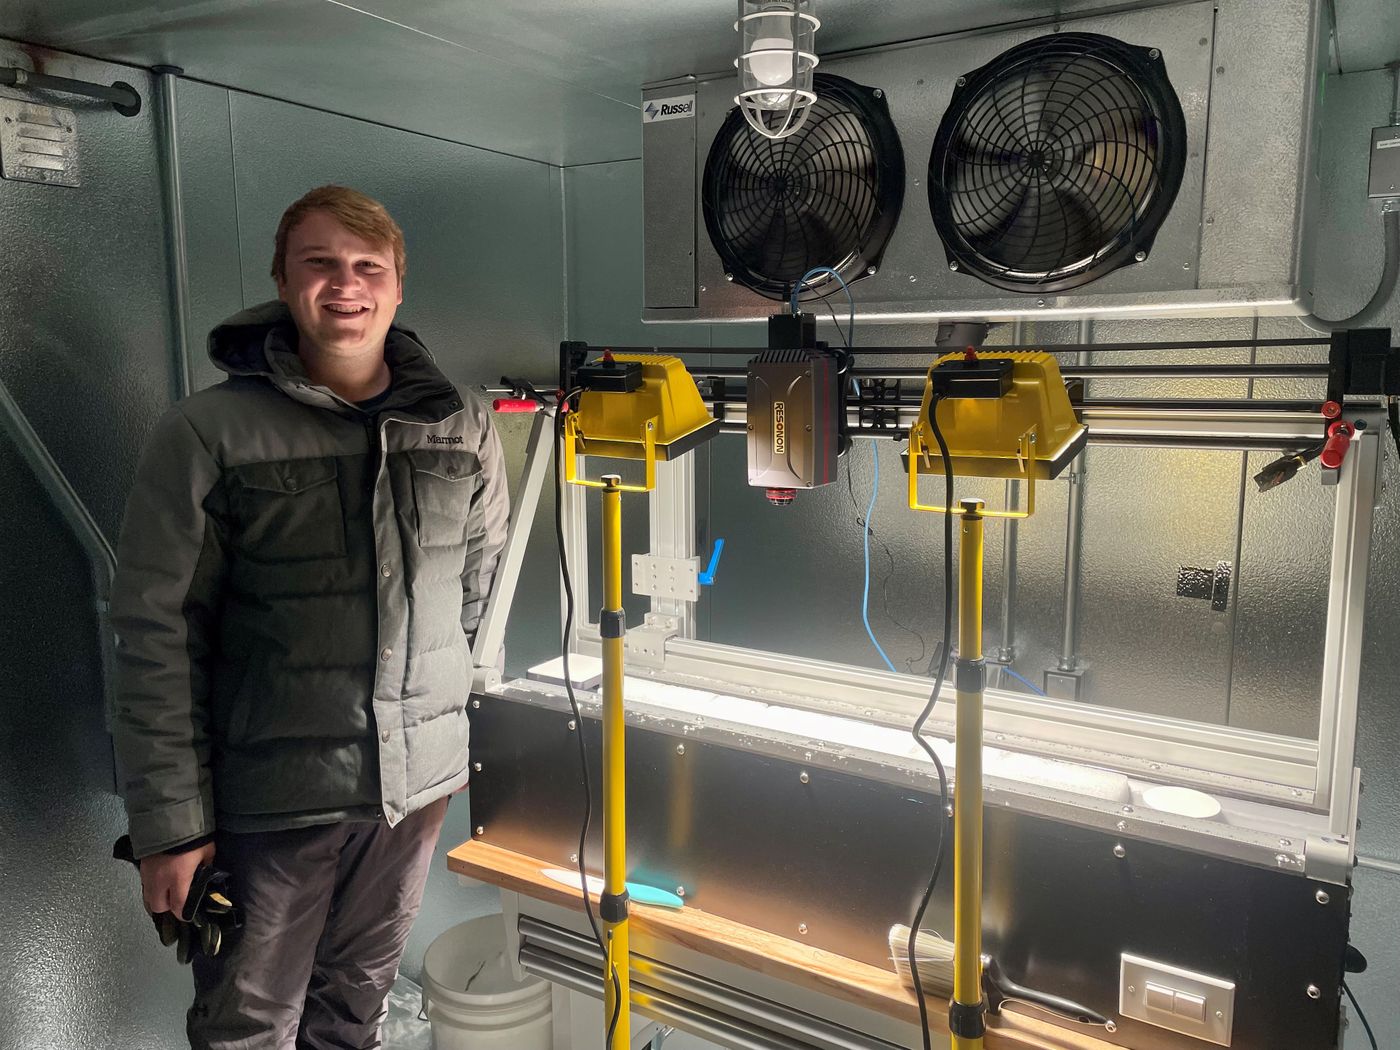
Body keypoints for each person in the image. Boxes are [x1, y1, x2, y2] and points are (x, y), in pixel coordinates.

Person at [110, 184, 509, 1048]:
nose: (347, 285)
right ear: (283, 282)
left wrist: (443, 735)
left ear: (399, 287)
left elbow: (477, 594)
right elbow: (155, 636)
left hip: (410, 796)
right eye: (320, 264)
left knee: (355, 1009)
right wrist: (170, 824)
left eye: (370, 267)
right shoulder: (209, 434)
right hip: (272, 802)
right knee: (248, 1025)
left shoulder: (461, 426)